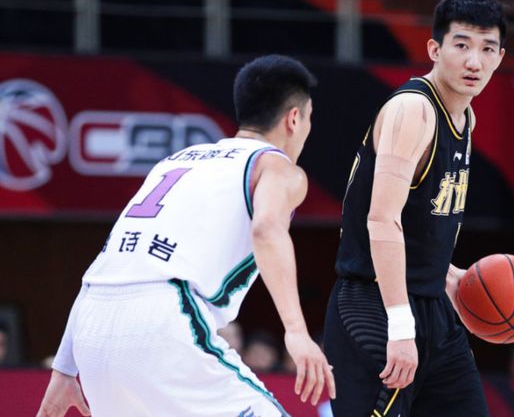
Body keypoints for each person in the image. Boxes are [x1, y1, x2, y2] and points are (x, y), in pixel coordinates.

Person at [37, 54, 335, 417]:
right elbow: (266, 229)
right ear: (294, 118)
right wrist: (297, 332)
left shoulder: (176, 161)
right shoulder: (276, 167)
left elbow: (107, 264)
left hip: (92, 330)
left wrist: (64, 368)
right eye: (310, 118)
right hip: (165, 320)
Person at [324, 0, 506, 416]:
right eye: (461, 45)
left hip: (431, 308)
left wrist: (447, 274)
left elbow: (422, 219)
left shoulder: (466, 117)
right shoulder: (414, 109)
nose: (474, 61)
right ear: (434, 49)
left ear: (500, 57)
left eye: (487, 48)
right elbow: (382, 220)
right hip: (374, 305)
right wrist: (400, 326)